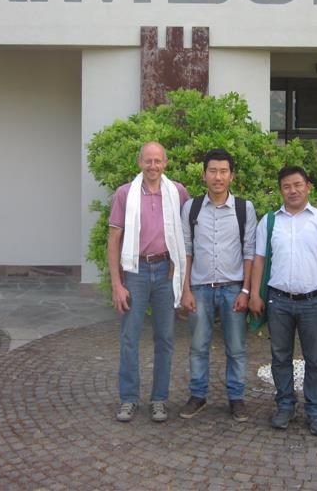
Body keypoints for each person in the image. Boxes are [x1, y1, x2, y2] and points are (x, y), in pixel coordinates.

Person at [249, 165, 317, 436]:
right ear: (281, 190)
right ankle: (285, 405)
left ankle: (315, 411)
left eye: (297, 185)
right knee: (280, 357)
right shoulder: (269, 222)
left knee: (315, 359)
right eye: (286, 186)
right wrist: (255, 294)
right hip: (278, 301)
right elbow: (259, 260)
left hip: (313, 302)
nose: (292, 190)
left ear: (308, 187)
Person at [107, 141, 190, 423]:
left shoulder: (178, 192)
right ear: (139, 162)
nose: (153, 166)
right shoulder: (124, 194)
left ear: (165, 163)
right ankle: (129, 399)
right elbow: (114, 240)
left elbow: (186, 238)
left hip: (166, 270)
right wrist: (117, 284)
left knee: (165, 338)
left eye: (158, 161)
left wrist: (183, 279)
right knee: (130, 338)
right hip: (135, 271)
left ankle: (159, 399)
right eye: (148, 161)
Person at [178, 149, 257, 422]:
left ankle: (236, 398)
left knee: (236, 348)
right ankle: (198, 395)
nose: (218, 177)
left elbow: (249, 252)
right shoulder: (191, 208)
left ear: (231, 176)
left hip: (233, 288)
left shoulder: (244, 209)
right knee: (198, 346)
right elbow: (186, 251)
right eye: (212, 171)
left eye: (223, 171)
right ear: (204, 175)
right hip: (200, 287)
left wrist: (246, 290)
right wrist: (185, 289)